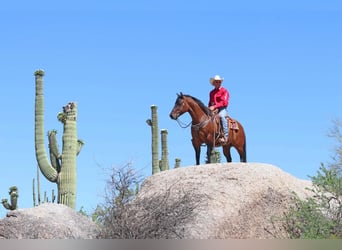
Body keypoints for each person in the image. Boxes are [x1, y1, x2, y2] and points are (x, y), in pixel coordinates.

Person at [208, 74, 230, 143]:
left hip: (222, 109)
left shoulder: (224, 91)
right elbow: (210, 102)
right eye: (216, 82)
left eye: (219, 82)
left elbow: (225, 102)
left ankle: (225, 136)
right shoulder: (211, 92)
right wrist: (208, 108)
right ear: (214, 83)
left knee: (222, 117)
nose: (218, 83)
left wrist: (214, 106)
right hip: (213, 110)